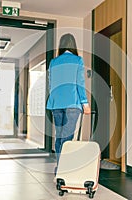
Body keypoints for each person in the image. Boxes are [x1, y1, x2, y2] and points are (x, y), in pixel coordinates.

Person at [46, 33, 91, 171]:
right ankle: (64, 168)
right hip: (72, 104)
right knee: (67, 137)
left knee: (59, 136)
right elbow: (80, 83)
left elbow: (50, 84)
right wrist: (85, 104)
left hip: (56, 104)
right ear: (73, 45)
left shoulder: (54, 62)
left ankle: (60, 166)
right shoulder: (78, 60)